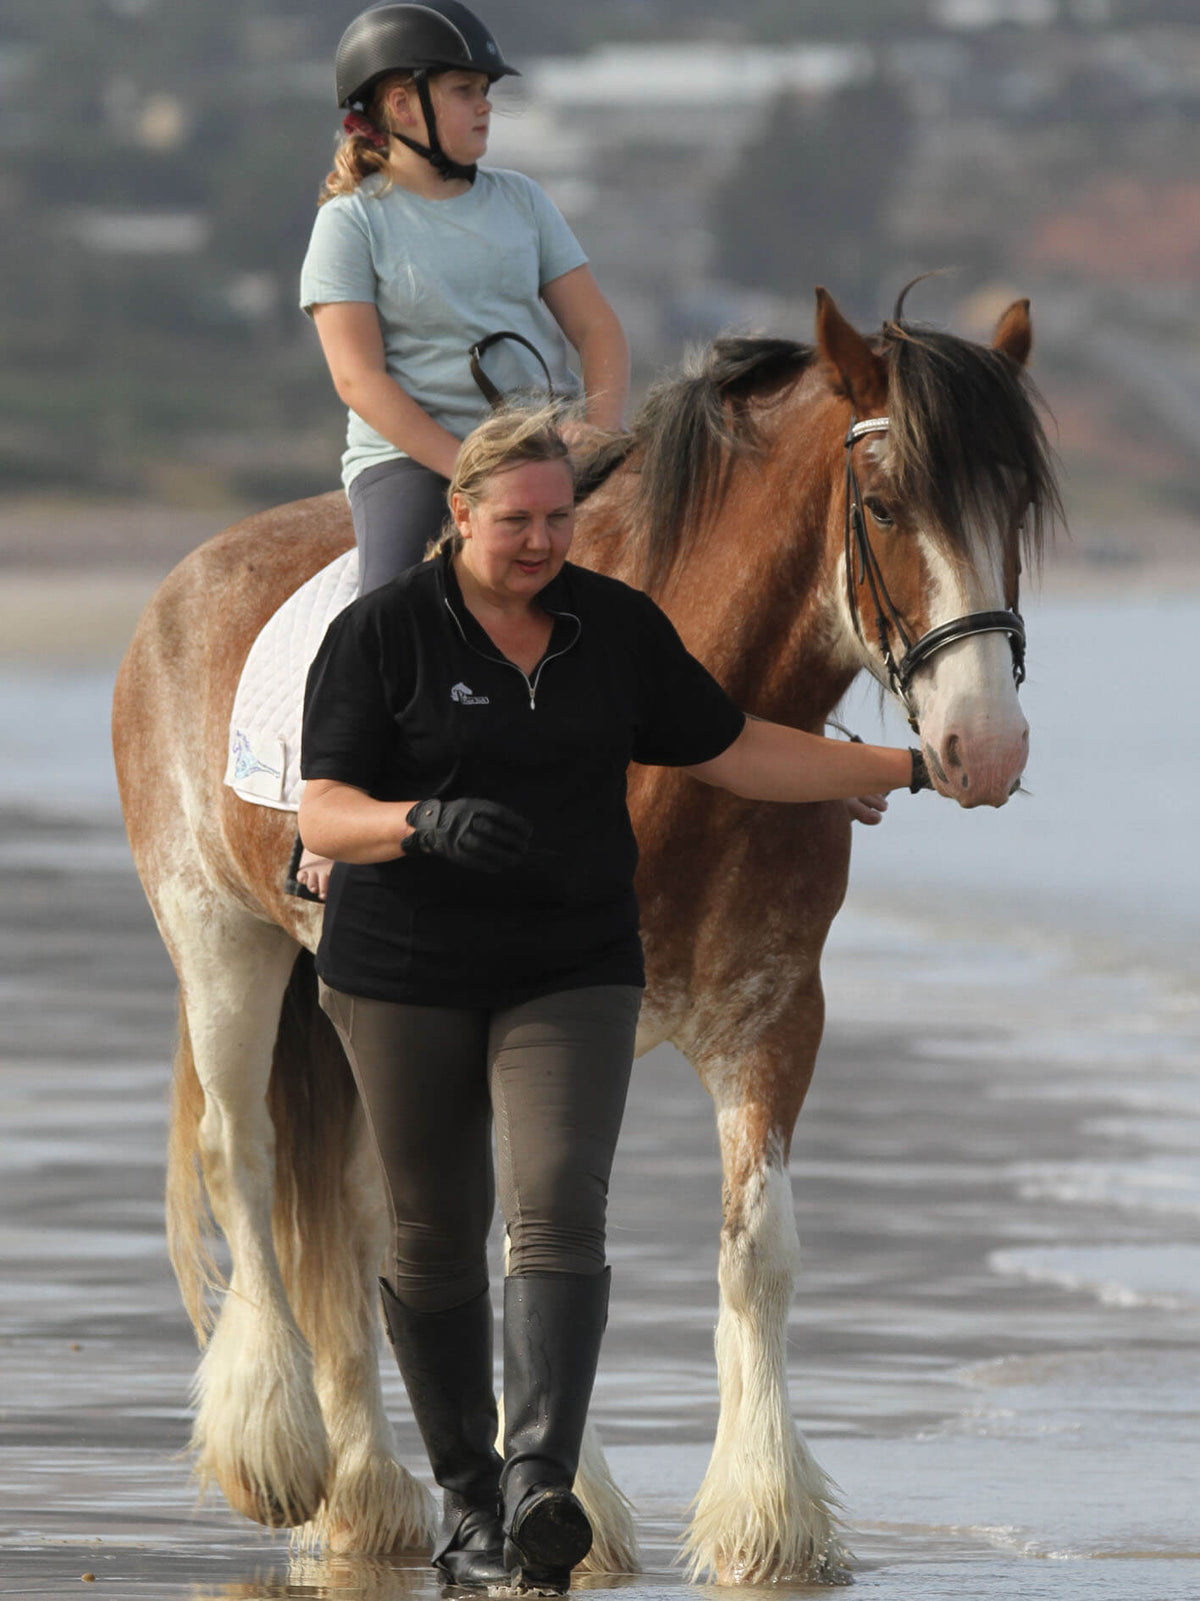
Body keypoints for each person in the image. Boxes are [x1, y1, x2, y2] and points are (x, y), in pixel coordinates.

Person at [297, 408, 928, 1592]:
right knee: (434, 1232)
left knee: (556, 1212)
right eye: (516, 519)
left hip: (570, 963)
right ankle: (472, 1500)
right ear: (461, 515)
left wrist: (908, 765)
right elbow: (320, 809)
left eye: (558, 517)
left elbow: (734, 746)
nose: (540, 540)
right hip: (405, 968)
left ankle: (539, 1481)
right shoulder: (384, 633)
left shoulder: (614, 626)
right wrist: (416, 822)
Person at [290, 0, 628, 901]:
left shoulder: (524, 201)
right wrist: (468, 470)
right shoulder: (352, 225)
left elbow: (597, 328)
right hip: (411, 456)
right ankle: (331, 813)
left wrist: (593, 430)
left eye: (485, 92)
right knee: (389, 596)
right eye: (466, 90)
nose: (485, 108)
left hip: (543, 448)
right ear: (401, 105)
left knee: (689, 550)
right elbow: (360, 382)